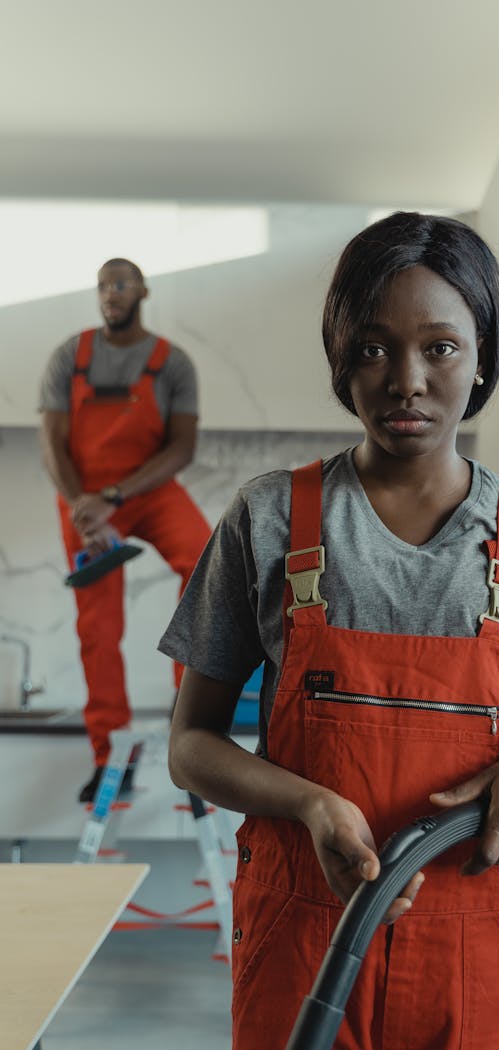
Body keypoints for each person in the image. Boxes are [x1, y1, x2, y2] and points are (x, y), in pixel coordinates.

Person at [162, 213, 499, 1050]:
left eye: (441, 347)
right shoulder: (267, 519)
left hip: (491, 952)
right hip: (307, 943)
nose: (406, 380)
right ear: (340, 356)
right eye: (373, 348)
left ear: (482, 357)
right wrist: (310, 803)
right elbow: (191, 746)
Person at [39, 258, 211, 803]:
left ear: (142, 291)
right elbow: (52, 443)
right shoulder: (70, 356)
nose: (110, 294)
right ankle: (109, 756)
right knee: (98, 628)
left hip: (146, 490)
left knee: (206, 563)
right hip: (85, 498)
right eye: (102, 286)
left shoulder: (171, 363)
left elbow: (181, 448)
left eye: (120, 284)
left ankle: (193, 725)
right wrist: (81, 507)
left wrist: (115, 497)